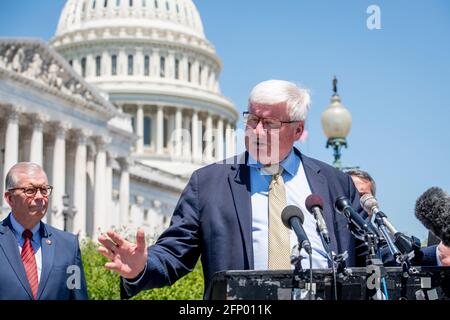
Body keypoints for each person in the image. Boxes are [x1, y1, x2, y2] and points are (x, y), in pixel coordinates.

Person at [97, 80, 442, 299]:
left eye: (270, 123)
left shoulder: (334, 183)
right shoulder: (209, 183)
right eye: (252, 120)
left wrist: (435, 256)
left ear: (297, 130)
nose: (257, 131)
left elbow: (370, 255)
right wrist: (142, 266)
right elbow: (174, 255)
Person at [0, 162, 88, 300]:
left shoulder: (69, 246)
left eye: (44, 190)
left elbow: (77, 295)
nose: (40, 196)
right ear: (10, 198)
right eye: (30, 190)